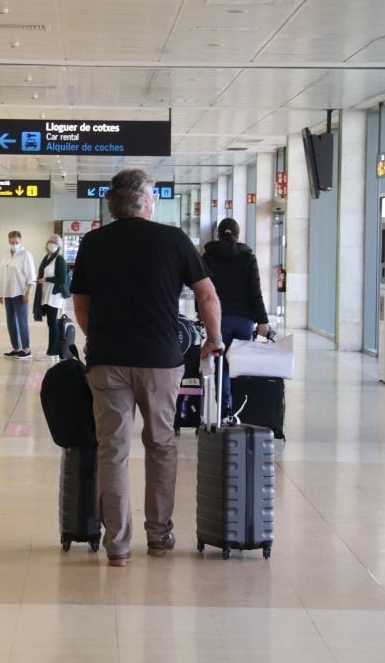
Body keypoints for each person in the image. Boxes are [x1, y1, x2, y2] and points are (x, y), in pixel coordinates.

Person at [70, 169, 222, 567]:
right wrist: (214, 338)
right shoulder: (173, 239)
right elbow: (206, 294)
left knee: (113, 449)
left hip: (107, 361)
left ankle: (117, 546)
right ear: (145, 201)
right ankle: (159, 536)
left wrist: (94, 336)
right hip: (160, 361)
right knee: (160, 445)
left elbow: (81, 303)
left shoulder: (94, 242)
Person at [202, 218, 270, 414]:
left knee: (220, 362)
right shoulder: (248, 257)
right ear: (238, 235)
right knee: (238, 364)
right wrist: (263, 321)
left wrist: (201, 313)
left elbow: (203, 291)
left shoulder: (208, 257)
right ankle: (239, 407)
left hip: (218, 318)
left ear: (218, 234)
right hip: (244, 320)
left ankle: (224, 405)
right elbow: (255, 291)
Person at [0, 230, 35, 359]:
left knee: (22, 321)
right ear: (8, 241)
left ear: (20, 241)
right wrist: (0, 293)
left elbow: (31, 276)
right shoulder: (6, 255)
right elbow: (2, 275)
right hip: (8, 293)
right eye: (12, 242)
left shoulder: (25, 255)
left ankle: (26, 348)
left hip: (20, 293)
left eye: (16, 242)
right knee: (10, 321)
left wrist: (27, 293)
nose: (14, 244)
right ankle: (16, 348)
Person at [36, 234, 70, 358]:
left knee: (52, 322)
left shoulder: (59, 259)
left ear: (58, 245)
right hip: (46, 294)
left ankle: (53, 349)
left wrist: (46, 279)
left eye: (54, 242)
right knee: (50, 323)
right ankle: (52, 348)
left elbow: (62, 279)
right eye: (49, 241)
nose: (51, 243)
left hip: (54, 296)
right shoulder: (47, 258)